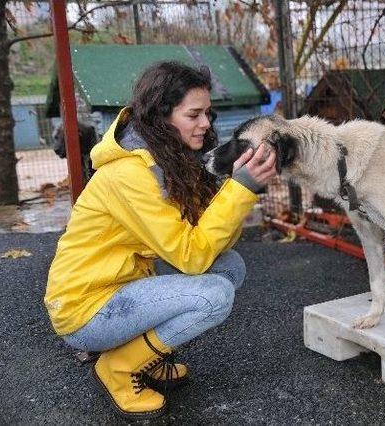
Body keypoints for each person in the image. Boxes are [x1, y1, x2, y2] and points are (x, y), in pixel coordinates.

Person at [44, 61, 277, 420]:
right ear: (162, 115)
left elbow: (213, 243)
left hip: (126, 285)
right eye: (194, 114)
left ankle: (144, 356)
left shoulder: (169, 160)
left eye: (208, 114)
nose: (206, 124)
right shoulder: (130, 174)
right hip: (86, 308)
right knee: (213, 295)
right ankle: (118, 368)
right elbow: (193, 256)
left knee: (230, 265)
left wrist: (237, 187)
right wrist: (241, 191)